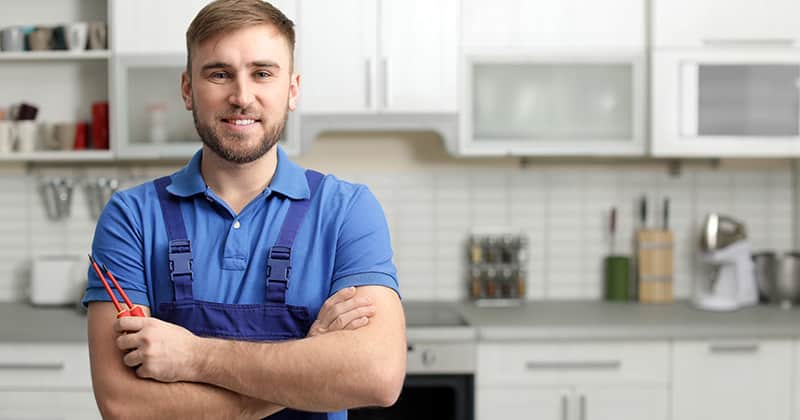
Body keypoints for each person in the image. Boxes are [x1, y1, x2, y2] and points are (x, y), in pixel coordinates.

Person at [82, 1, 406, 419]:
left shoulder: (346, 211)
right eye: (219, 74)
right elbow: (125, 406)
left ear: (291, 89)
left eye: (263, 73)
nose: (241, 96)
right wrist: (309, 366)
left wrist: (195, 357)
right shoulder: (132, 218)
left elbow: (377, 376)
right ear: (187, 89)